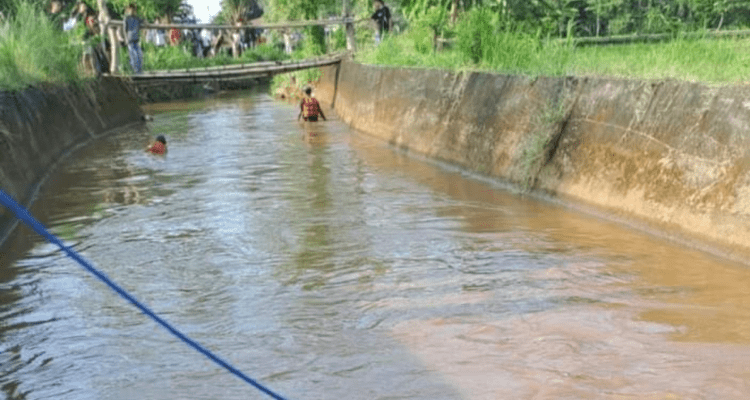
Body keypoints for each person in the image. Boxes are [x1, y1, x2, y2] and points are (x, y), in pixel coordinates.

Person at [123, 3, 143, 74]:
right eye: (130, 9)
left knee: (139, 55)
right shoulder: (126, 18)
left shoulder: (137, 18)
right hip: (130, 40)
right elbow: (125, 30)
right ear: (128, 10)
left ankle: (139, 71)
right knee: (133, 56)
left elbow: (144, 21)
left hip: (136, 39)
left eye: (133, 9)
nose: (132, 10)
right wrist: (126, 39)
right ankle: (135, 71)